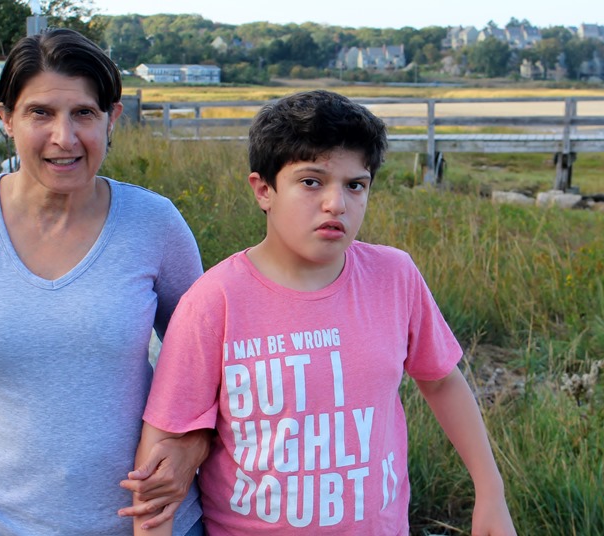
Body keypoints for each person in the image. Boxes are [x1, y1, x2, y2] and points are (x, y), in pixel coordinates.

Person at [131, 90, 516, 535]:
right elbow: (160, 454)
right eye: (312, 182)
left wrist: (490, 491)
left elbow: (442, 380)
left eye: (355, 185)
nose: (337, 204)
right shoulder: (214, 301)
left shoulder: (394, 276)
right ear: (264, 190)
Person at [0, 28, 206, 535]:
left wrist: (193, 446)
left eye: (83, 113)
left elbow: (206, 362)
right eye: (40, 113)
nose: (65, 137)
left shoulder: (155, 223)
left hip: (148, 525)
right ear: (7, 118)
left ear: (111, 119)